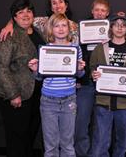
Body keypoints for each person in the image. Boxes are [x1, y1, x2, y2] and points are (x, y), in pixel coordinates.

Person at [0, 0, 45, 157]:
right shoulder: (9, 34)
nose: (26, 15)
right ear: (14, 17)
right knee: (17, 138)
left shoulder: (38, 31)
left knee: (29, 136)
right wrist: (13, 94)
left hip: (35, 93)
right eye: (20, 12)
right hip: (16, 94)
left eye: (28, 11)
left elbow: (58, 18)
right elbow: (0, 67)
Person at [28, 13, 85, 157]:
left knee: (67, 145)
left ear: (69, 28)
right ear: (51, 30)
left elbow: (79, 76)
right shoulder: (46, 49)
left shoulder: (76, 49)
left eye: (64, 25)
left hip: (69, 100)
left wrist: (80, 70)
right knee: (51, 146)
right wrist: (35, 70)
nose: (60, 29)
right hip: (48, 101)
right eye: (56, 26)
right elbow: (40, 77)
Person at [90, 12, 126, 157]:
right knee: (101, 140)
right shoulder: (100, 48)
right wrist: (93, 74)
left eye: (123, 26)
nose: (120, 28)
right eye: (116, 25)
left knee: (122, 141)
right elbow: (92, 67)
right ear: (111, 27)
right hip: (104, 100)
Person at [75, 0, 110, 157]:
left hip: (105, 83)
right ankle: (82, 154)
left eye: (103, 10)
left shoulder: (112, 29)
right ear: (92, 11)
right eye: (97, 10)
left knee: (101, 125)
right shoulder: (81, 28)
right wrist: (78, 78)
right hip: (86, 83)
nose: (99, 13)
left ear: (107, 13)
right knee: (81, 124)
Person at [0, 0, 79, 44]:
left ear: (66, 5)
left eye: (60, 2)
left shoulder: (75, 27)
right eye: (54, 3)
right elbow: (22, 18)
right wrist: (10, 24)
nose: (58, 6)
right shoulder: (41, 22)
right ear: (51, 8)